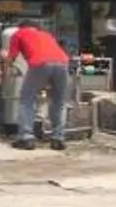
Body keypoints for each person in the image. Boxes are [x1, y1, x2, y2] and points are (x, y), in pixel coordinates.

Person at [5, 22, 72, 150]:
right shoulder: (46, 35)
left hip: (39, 63)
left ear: (21, 27)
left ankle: (26, 138)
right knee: (59, 102)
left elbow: (11, 57)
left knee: (27, 100)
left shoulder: (18, 33)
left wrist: (4, 69)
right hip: (62, 63)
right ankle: (58, 138)